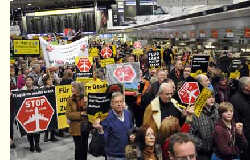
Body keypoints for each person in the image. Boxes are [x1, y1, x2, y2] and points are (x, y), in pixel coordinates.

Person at [93, 92, 133, 160]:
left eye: (121, 101)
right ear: (112, 104)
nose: (119, 104)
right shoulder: (106, 118)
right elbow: (104, 139)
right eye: (116, 102)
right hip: (114, 156)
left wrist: (133, 135)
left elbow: (131, 128)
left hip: (128, 153)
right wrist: (100, 130)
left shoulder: (128, 113)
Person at [190, 94, 219, 160]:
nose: (212, 99)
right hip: (202, 153)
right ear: (202, 99)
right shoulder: (195, 113)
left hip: (216, 151)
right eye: (208, 97)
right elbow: (190, 134)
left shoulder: (217, 109)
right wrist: (201, 145)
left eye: (213, 97)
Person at [66, 81, 89, 160]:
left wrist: (86, 104)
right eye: (72, 87)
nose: (72, 89)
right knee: (78, 148)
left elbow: (90, 112)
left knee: (85, 147)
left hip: (85, 127)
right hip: (75, 127)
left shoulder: (86, 99)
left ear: (79, 89)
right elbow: (68, 114)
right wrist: (81, 114)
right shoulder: (70, 100)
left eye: (74, 87)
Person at [231, 76, 250, 160]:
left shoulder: (248, 96)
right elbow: (235, 119)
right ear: (246, 87)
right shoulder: (235, 99)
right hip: (245, 136)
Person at [21, 76, 41, 152]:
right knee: (29, 131)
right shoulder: (22, 90)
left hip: (36, 112)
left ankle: (37, 145)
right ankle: (31, 145)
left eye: (30, 80)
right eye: (27, 80)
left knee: (37, 130)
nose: (28, 81)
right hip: (27, 113)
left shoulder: (37, 89)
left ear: (32, 81)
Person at [41, 74, 58, 142]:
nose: (51, 81)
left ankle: (52, 136)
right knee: (47, 121)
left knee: (54, 121)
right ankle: (46, 136)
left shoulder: (54, 87)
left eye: (51, 79)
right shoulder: (43, 88)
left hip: (54, 105)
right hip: (46, 106)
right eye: (49, 80)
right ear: (46, 81)